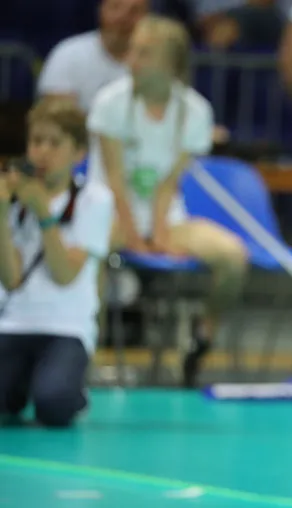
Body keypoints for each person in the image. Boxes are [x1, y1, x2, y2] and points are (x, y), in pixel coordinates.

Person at [87, 15, 249, 388]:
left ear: (170, 64)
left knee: (233, 258)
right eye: (132, 51)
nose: (131, 60)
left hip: (167, 218)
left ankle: (200, 337)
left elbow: (169, 183)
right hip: (109, 214)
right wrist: (135, 237)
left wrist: (159, 233)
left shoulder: (195, 111)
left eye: (144, 53)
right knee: (91, 252)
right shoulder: (109, 102)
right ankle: (87, 351)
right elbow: (114, 180)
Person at [0, 100, 114, 427]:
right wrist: (1, 214)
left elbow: (64, 274)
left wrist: (44, 215)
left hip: (66, 327)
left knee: (54, 406)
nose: (43, 152)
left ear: (78, 153)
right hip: (13, 323)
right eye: (37, 141)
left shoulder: (94, 199)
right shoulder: (13, 198)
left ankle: (69, 387)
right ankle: (19, 385)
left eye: (55, 143)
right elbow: (10, 279)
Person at [37, 0, 150, 112]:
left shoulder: (157, 60)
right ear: (101, 10)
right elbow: (55, 117)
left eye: (134, 11)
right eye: (115, 7)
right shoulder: (68, 54)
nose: (122, 17)